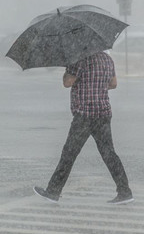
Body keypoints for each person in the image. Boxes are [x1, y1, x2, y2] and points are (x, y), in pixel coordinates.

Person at [33, 51, 134, 205]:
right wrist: (97, 86)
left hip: (84, 116)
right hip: (103, 113)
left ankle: (53, 191)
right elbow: (113, 84)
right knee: (109, 154)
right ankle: (124, 191)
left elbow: (67, 82)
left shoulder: (78, 59)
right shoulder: (107, 59)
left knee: (69, 154)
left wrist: (68, 69)